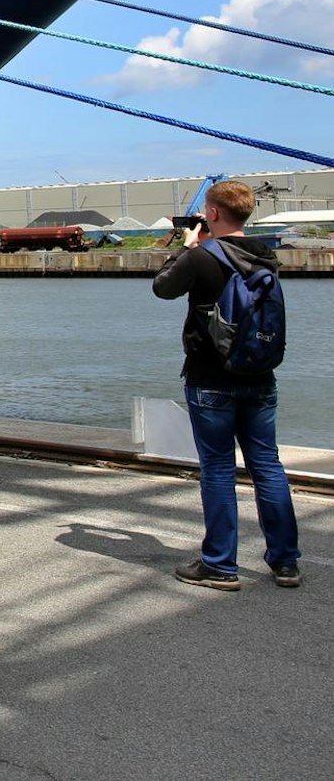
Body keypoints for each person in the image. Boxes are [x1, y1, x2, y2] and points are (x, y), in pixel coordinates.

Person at [153, 180, 301, 589]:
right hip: (260, 375)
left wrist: (187, 247)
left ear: (213, 213)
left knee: (218, 469)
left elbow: (162, 288)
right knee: (267, 465)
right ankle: (286, 562)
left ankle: (219, 564)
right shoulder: (266, 256)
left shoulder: (201, 257)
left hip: (211, 378)